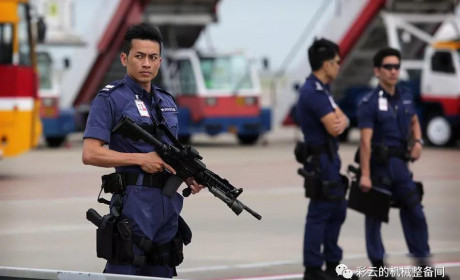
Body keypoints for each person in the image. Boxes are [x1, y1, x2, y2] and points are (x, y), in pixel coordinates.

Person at [82, 23, 204, 278]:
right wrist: (140, 159)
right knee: (124, 269)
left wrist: (187, 174)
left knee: (163, 268)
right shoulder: (110, 99)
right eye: (139, 56)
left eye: (153, 57)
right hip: (133, 205)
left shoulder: (167, 101)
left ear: (160, 61)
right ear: (125, 58)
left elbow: (169, 154)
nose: (146, 63)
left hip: (167, 206)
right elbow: (90, 153)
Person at [357, 47, 449, 280]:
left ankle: (424, 268)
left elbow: (415, 120)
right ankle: (380, 269)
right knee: (374, 218)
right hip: (378, 167)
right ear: (377, 71)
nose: (393, 71)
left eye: (397, 66)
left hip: (400, 166)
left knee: (416, 213)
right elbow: (365, 141)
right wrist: (365, 174)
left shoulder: (406, 96)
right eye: (388, 67)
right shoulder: (368, 102)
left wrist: (418, 141)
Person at [296, 38, 358, 280]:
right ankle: (313, 268)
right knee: (320, 212)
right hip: (321, 161)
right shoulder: (312, 91)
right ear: (325, 64)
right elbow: (334, 127)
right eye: (336, 62)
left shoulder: (323, 90)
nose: (339, 66)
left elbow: (343, 119)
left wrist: (342, 121)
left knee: (337, 210)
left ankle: (333, 264)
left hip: (330, 159)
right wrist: (341, 122)